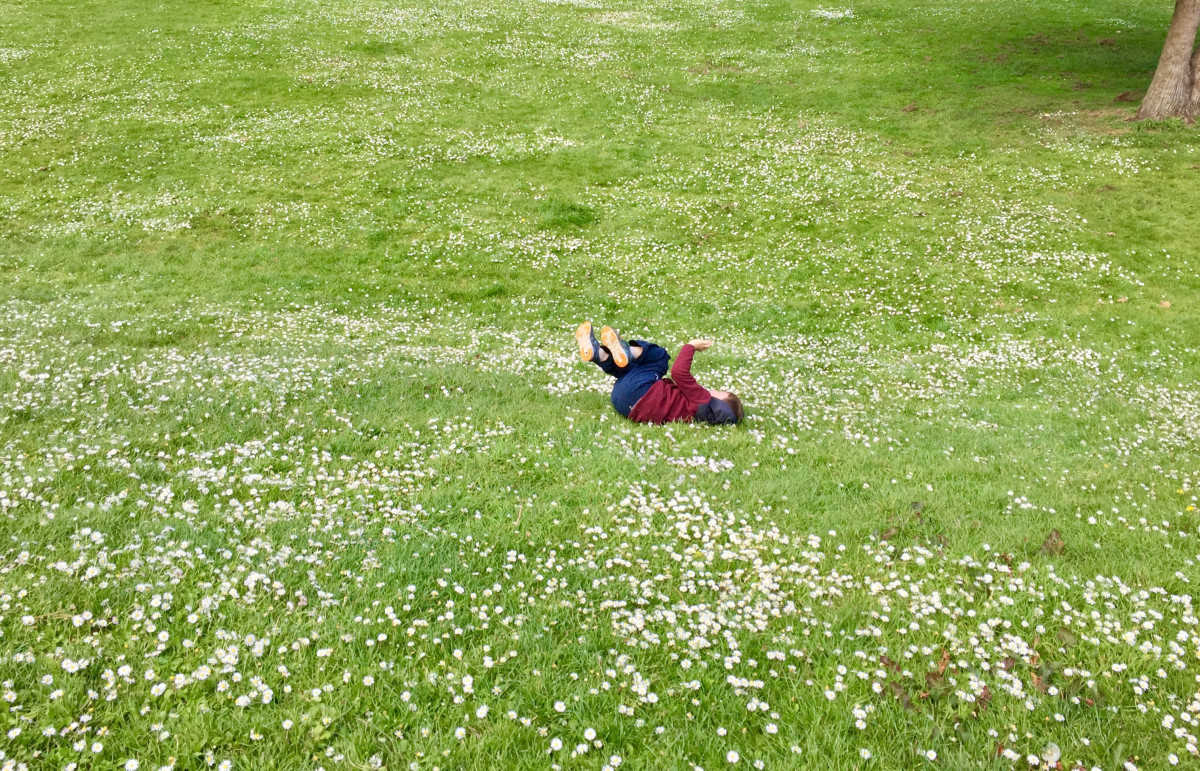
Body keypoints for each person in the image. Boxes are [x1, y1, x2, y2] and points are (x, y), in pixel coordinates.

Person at [574, 322, 743, 425]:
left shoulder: (704, 400)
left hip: (639, 390)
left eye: (720, 392)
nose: (714, 389)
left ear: (721, 402)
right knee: (632, 370)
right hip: (625, 405)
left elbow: (679, 373)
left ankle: (629, 351)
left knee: (660, 359)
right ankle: (598, 353)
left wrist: (691, 346)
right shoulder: (696, 416)